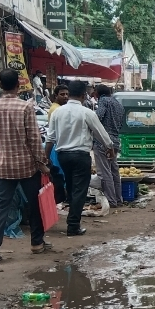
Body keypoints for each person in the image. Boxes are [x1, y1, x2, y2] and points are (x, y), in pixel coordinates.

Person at [0, 69, 50, 263]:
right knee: (35, 204)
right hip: (26, 165)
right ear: (18, 86)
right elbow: (34, 139)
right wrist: (42, 163)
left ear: (1, 86)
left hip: (1, 165)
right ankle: (37, 243)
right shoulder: (25, 107)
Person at [46, 79, 114, 237]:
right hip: (80, 155)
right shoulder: (86, 113)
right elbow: (101, 132)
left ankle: (72, 220)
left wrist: (46, 157)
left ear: (69, 94)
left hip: (62, 155)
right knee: (80, 190)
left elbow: (50, 138)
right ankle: (73, 225)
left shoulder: (57, 112)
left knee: (70, 187)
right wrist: (109, 148)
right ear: (84, 95)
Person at [93, 85, 124, 207]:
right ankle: (118, 199)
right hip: (115, 140)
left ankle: (111, 201)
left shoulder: (103, 101)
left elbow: (98, 118)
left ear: (97, 93)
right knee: (114, 171)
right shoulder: (118, 104)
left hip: (103, 141)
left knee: (105, 172)